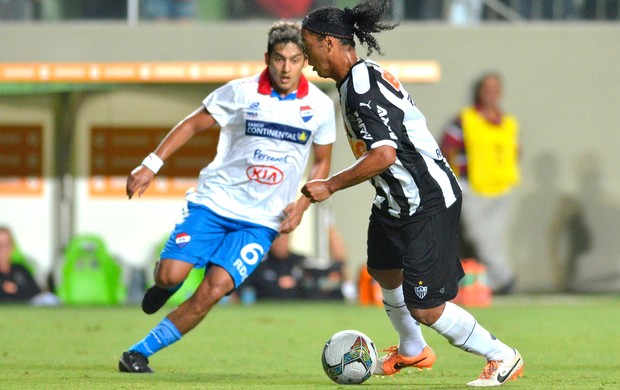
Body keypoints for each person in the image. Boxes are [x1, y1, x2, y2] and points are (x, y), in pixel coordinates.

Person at [299, 0, 523, 386]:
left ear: (329, 43)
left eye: (308, 47)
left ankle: (502, 356)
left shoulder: (360, 90)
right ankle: (412, 350)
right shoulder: (359, 78)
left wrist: (330, 185)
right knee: (384, 271)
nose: (306, 58)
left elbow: (384, 154)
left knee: (426, 306)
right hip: (394, 201)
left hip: (426, 200)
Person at [118, 20, 336, 373]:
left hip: (262, 221)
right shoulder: (241, 92)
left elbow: (322, 162)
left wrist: (302, 204)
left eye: (295, 60)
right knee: (172, 276)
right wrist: (150, 164)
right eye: (279, 58)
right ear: (267, 57)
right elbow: (192, 123)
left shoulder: (320, 107)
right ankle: (163, 285)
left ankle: (138, 353)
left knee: (214, 289)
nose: (285, 68)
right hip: (214, 203)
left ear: (304, 61)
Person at [440, 72, 520, 294]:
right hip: (473, 187)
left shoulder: (508, 122)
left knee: (494, 237)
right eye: (486, 88)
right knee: (479, 236)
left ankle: (495, 282)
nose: (491, 93)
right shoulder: (466, 118)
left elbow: (514, 150)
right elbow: (447, 147)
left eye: (495, 88)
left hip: (501, 188)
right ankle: (503, 279)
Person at [0, 226, 41, 302]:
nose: (3, 249)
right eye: (0, 245)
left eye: (6, 245)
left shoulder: (21, 270)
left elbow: (36, 293)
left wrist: (17, 289)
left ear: (12, 246)